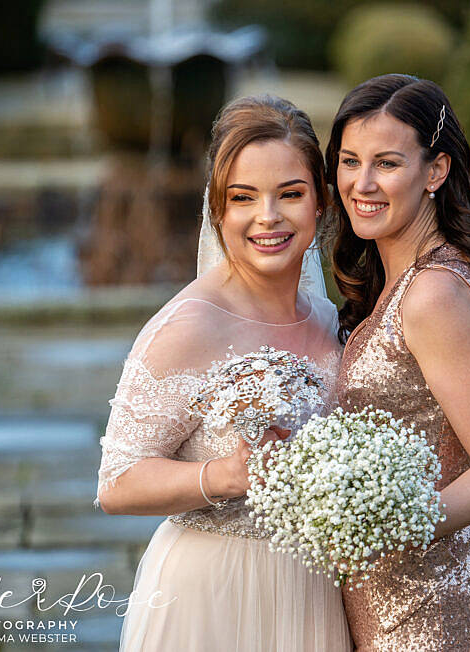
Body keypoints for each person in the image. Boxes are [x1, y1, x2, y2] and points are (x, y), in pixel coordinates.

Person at [95, 95, 351, 651]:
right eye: (243, 198)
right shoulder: (190, 327)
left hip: (313, 597)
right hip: (213, 597)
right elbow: (116, 483)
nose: (268, 217)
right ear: (218, 210)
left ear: (320, 203)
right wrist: (223, 477)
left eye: (290, 193)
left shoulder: (330, 318)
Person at [328, 74, 470, 650]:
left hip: (433, 616)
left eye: (387, 163)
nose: (362, 183)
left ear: (436, 171)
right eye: (349, 161)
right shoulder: (399, 279)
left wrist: (376, 530)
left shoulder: (434, 294)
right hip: (387, 607)